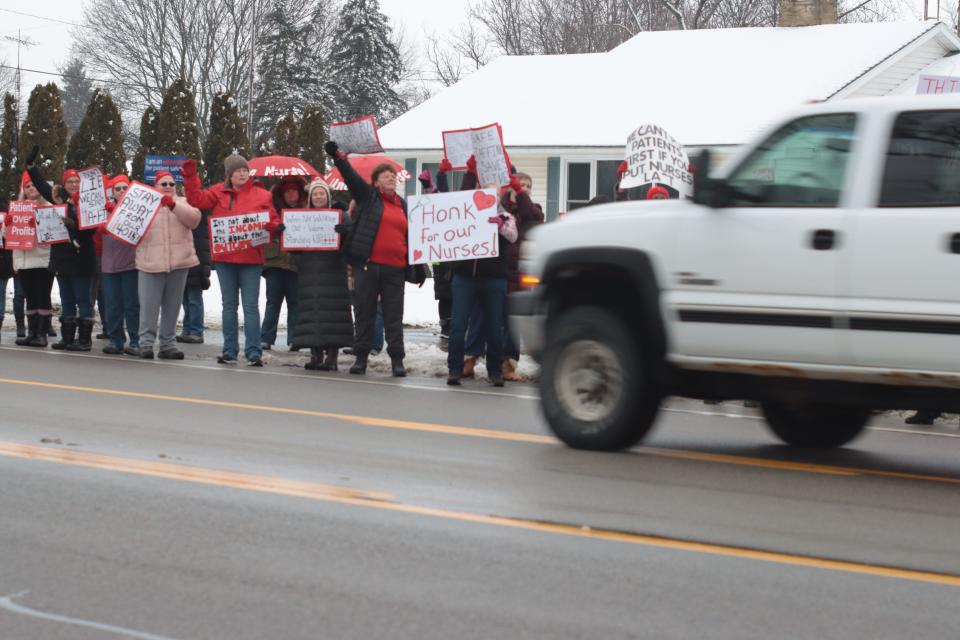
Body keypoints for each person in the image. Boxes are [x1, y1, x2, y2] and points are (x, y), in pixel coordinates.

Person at [325, 140, 420, 377]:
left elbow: (417, 236)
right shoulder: (369, 198)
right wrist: (337, 156)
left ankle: (397, 360)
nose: (391, 178)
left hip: (395, 269)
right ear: (376, 182)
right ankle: (361, 359)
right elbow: (351, 178)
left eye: (393, 176)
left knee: (393, 316)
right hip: (368, 266)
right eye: (386, 176)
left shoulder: (404, 206)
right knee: (365, 313)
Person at [182, 154, 279, 366]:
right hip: (226, 259)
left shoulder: (262, 195)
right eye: (237, 171)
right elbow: (196, 199)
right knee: (229, 306)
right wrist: (190, 176)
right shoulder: (217, 192)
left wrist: (273, 227)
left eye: (245, 170)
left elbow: (272, 219)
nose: (242, 173)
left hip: (251, 260)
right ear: (229, 174)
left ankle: (254, 352)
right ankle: (229, 351)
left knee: (251, 307)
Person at [446, 189, 518, 387]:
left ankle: (494, 371)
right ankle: (455, 369)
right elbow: (442, 216)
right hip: (465, 276)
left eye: (494, 191)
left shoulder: (505, 215)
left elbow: (513, 236)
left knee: (495, 326)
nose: (490, 194)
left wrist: (501, 225)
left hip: (493, 278)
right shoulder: (463, 211)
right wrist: (432, 188)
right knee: (458, 325)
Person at [27, 163, 98, 351]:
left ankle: (84, 340)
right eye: (70, 181)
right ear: (64, 184)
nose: (74, 184)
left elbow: (92, 229)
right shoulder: (58, 198)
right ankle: (67, 338)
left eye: (76, 181)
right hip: (61, 258)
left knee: (83, 299)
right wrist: (31, 168)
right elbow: (42, 186)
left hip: (82, 258)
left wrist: (74, 227)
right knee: (66, 299)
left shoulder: (90, 201)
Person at [136, 171, 201, 359]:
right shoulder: (145, 205)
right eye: (163, 184)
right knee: (149, 307)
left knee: (172, 307)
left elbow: (194, 220)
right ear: (155, 186)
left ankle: (167, 344)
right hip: (150, 263)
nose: (167, 187)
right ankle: (145, 343)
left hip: (178, 263)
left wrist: (173, 205)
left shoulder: (183, 203)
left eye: (171, 184)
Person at [291, 179, 354, 371]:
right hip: (309, 271)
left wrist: (345, 233)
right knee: (312, 313)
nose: (319, 197)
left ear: (328, 196)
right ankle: (315, 354)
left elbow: (352, 242)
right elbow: (295, 250)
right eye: (315, 194)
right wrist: (288, 234)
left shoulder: (341, 216)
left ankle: (332, 356)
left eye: (322, 193)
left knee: (333, 313)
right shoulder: (301, 218)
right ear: (311, 198)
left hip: (333, 269)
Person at [9, 170, 55, 347]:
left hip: (42, 259)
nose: (31, 189)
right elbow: (9, 237)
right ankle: (32, 333)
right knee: (30, 297)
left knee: (42, 296)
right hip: (23, 260)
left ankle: (42, 334)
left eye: (34, 185)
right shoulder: (17, 208)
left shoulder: (48, 206)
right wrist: (9, 224)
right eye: (27, 186)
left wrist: (37, 223)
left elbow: (54, 232)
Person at [99, 175, 140, 355]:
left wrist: (115, 212)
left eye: (125, 188)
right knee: (112, 304)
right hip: (109, 265)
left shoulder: (138, 210)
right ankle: (116, 340)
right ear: (112, 192)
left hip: (131, 264)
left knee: (132, 304)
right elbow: (96, 229)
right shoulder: (103, 210)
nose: (122, 192)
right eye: (118, 189)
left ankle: (135, 340)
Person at [262, 176, 303, 351]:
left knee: (295, 302)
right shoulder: (272, 209)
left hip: (295, 263)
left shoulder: (306, 213)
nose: (291, 194)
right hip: (275, 263)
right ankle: (266, 338)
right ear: (282, 194)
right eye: (287, 191)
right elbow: (263, 226)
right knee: (273, 302)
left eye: (294, 190)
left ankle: (294, 339)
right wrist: (274, 228)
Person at [421, 163, 453, 339]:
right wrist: (431, 183)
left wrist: (441, 175)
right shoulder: (434, 211)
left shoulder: (452, 212)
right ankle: (446, 326)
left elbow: (443, 197)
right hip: (439, 257)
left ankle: (453, 325)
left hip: (455, 257)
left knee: (453, 293)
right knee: (443, 293)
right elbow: (436, 200)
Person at [177, 204, 211, 345]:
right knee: (185, 298)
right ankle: (187, 329)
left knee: (193, 298)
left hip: (196, 261)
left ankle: (196, 331)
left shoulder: (199, 212)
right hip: (185, 259)